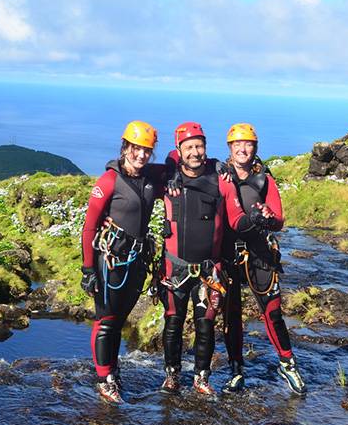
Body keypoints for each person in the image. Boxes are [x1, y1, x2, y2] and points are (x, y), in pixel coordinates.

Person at [80, 120, 164, 404]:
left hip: (137, 260)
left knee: (118, 321)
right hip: (111, 261)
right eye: (136, 149)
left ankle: (112, 370)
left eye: (147, 151)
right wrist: (88, 268)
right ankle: (105, 380)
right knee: (105, 320)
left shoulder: (151, 178)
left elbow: (180, 165)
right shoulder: (108, 181)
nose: (141, 155)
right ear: (125, 147)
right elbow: (89, 227)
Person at [158, 122, 244, 396]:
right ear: (179, 150)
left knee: (205, 324)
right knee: (173, 322)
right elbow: (164, 160)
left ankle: (201, 377)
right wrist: (172, 169)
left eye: (200, 146)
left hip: (209, 270)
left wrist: (254, 222)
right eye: (189, 147)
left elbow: (236, 216)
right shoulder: (167, 178)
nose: (196, 152)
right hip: (174, 267)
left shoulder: (221, 179)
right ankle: (172, 376)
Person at [220, 123, 306, 395]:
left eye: (248, 145)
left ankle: (287, 362)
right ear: (230, 148)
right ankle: (236, 371)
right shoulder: (220, 177)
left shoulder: (264, 179)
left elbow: (279, 220)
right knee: (231, 314)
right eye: (238, 145)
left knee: (272, 310)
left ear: (255, 148)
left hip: (259, 251)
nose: (243, 149)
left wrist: (269, 216)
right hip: (228, 253)